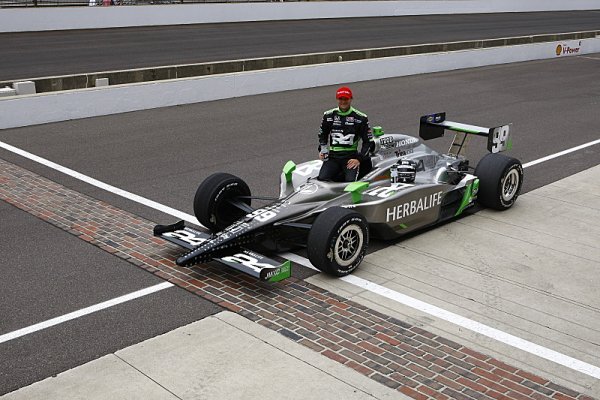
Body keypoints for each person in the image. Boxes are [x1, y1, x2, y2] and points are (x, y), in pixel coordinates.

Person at [318, 86, 372, 182]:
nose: (343, 101)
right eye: (341, 99)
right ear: (337, 99)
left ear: (351, 99)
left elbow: (368, 142)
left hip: (350, 157)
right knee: (322, 178)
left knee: (350, 181)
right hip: (333, 157)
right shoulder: (328, 115)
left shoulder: (360, 118)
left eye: (346, 99)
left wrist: (358, 159)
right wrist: (322, 150)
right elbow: (322, 135)